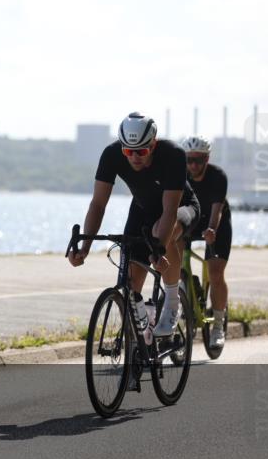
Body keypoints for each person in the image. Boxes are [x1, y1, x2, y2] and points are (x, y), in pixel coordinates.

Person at [68, 112, 200, 338]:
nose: (134, 157)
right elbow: (98, 204)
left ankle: (171, 302)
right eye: (128, 151)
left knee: (162, 233)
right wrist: (85, 247)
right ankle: (139, 336)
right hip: (142, 209)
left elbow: (169, 210)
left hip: (181, 207)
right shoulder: (111, 155)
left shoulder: (173, 155)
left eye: (141, 151)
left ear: (153, 143)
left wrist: (158, 250)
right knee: (130, 283)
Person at [183, 135, 231, 348]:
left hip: (216, 222)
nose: (193, 165)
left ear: (207, 159)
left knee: (215, 272)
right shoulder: (181, 175)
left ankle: (218, 326)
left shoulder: (217, 176)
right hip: (192, 220)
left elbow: (217, 210)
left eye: (198, 160)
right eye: (189, 160)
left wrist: (211, 229)